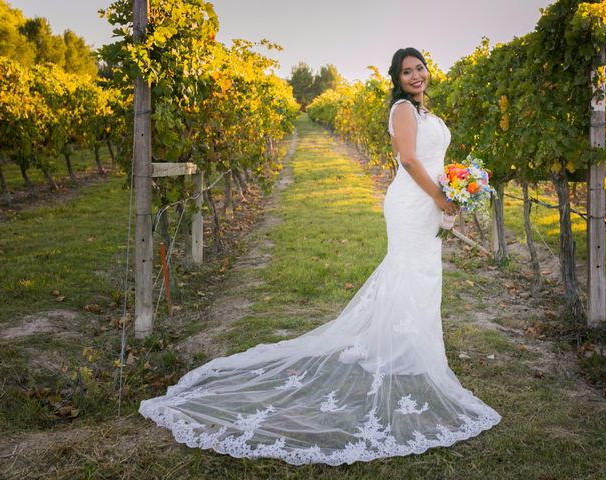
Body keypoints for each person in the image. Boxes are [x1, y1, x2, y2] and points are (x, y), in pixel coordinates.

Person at [139, 47, 502, 466]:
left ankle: (408, 348)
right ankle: (403, 349)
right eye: (407, 71)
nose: (416, 75)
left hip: (429, 201)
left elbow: (432, 157)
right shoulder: (403, 109)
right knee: (408, 268)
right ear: (397, 79)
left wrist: (455, 186)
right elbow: (407, 159)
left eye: (420, 68)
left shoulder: (426, 112)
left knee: (423, 272)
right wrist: (441, 194)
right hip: (412, 201)